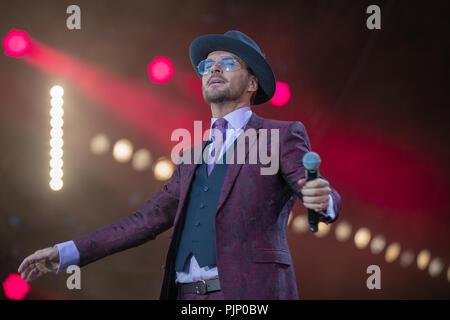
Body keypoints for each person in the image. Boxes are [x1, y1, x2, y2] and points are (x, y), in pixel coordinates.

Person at [18, 30, 342, 300]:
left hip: (249, 295)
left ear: (251, 84)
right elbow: (145, 220)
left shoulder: (281, 135)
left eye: (227, 63)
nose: (213, 69)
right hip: (187, 297)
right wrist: (67, 252)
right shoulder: (191, 156)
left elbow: (312, 187)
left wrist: (322, 199)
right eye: (207, 65)